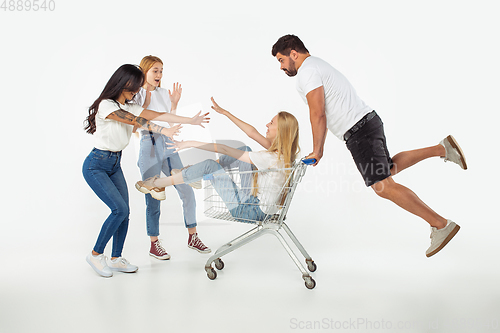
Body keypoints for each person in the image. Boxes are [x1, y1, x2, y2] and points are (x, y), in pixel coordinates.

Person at [271, 34, 467, 257]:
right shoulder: (316, 65)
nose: (281, 67)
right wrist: (320, 147)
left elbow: (318, 113)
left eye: (281, 60)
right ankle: (442, 149)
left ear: (293, 54)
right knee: (389, 170)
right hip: (368, 122)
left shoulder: (306, 72)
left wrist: (318, 150)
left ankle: (441, 224)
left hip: (359, 132)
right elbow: (322, 112)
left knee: (383, 186)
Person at [82, 64, 209, 278]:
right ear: (123, 83)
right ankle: (95, 254)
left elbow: (157, 114)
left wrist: (190, 120)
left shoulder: (130, 106)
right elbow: (134, 121)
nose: (136, 90)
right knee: (119, 210)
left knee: (125, 213)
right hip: (97, 164)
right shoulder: (106, 105)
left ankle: (115, 259)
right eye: (133, 86)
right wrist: (163, 129)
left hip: (114, 164)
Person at [135, 98, 300, 223]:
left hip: (248, 210)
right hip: (258, 205)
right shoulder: (284, 155)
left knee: (209, 166)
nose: (267, 124)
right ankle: (190, 173)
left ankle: (158, 184)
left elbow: (225, 149)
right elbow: (252, 132)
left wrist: (189, 143)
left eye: (271, 123)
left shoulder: (270, 158)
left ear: (280, 131)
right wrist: (225, 113)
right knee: (245, 150)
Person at [134, 55, 210, 258]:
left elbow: (169, 120)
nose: (159, 75)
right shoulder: (137, 94)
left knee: (186, 189)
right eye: (155, 71)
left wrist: (174, 103)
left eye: (161, 70)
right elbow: (139, 120)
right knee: (154, 195)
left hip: (167, 144)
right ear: (145, 72)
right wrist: (147, 93)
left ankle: (193, 236)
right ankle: (154, 243)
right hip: (149, 145)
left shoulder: (164, 93)